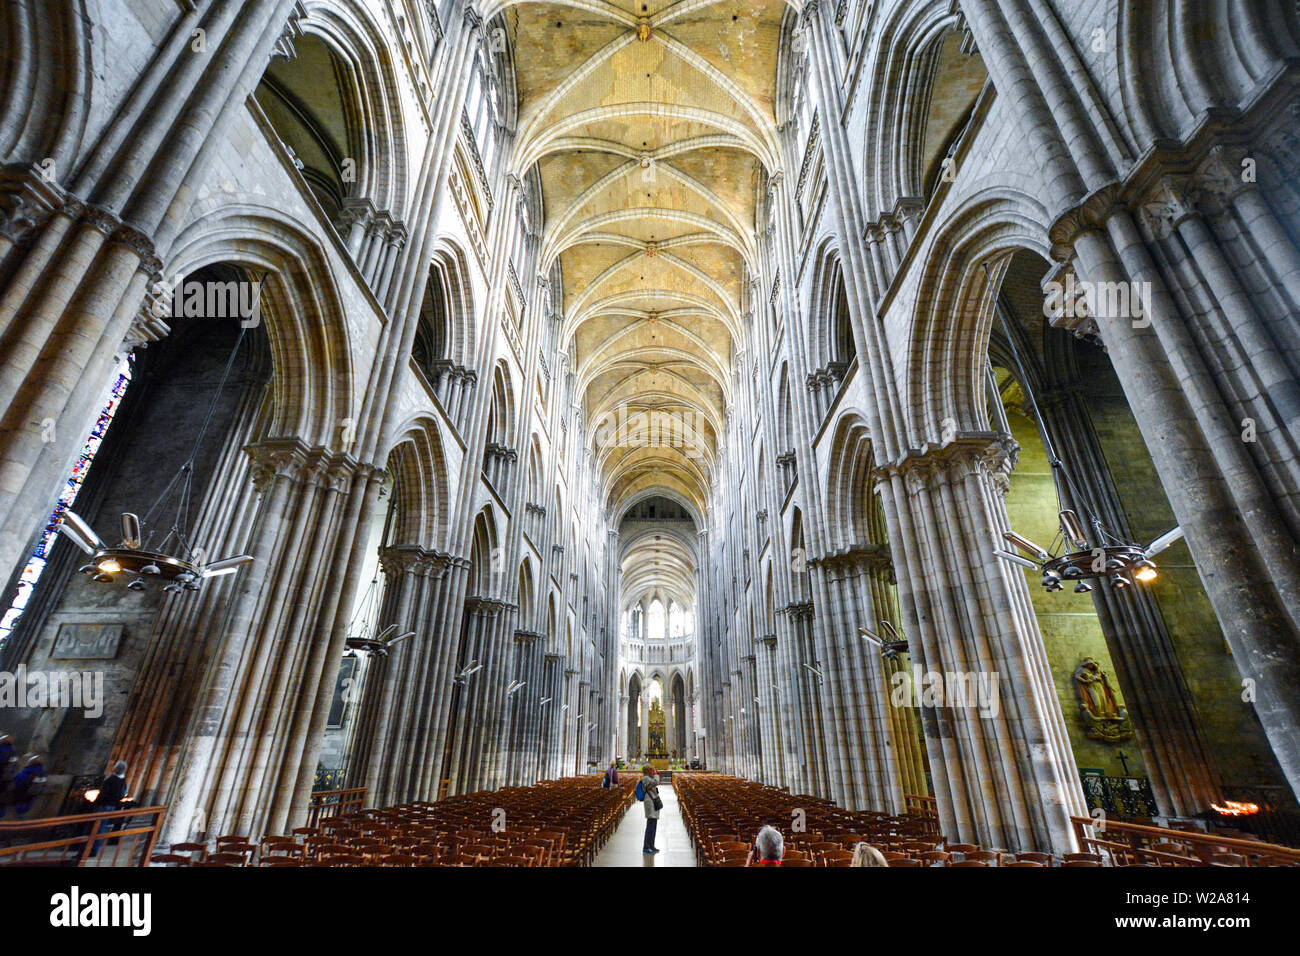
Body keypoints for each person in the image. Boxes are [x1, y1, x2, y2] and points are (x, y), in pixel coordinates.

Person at [88, 760, 129, 857]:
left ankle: (90, 850)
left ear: (117, 768)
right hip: (112, 806)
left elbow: (103, 792)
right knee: (101, 828)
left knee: (95, 827)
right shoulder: (123, 781)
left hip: (103, 806)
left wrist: (96, 801)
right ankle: (93, 850)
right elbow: (123, 793)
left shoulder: (111, 779)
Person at [5, 755, 45, 819]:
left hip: (20, 797)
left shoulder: (27, 772)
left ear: (30, 762)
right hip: (31, 798)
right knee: (22, 814)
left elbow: (17, 782)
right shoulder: (42, 773)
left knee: (14, 815)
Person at [639, 765, 661, 854]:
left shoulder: (649, 778)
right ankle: (646, 847)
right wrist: (656, 774)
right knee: (650, 826)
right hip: (649, 802)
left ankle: (651, 845)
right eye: (652, 770)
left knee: (654, 825)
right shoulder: (645, 778)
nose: (653, 771)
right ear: (648, 771)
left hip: (653, 801)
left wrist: (655, 774)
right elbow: (656, 781)